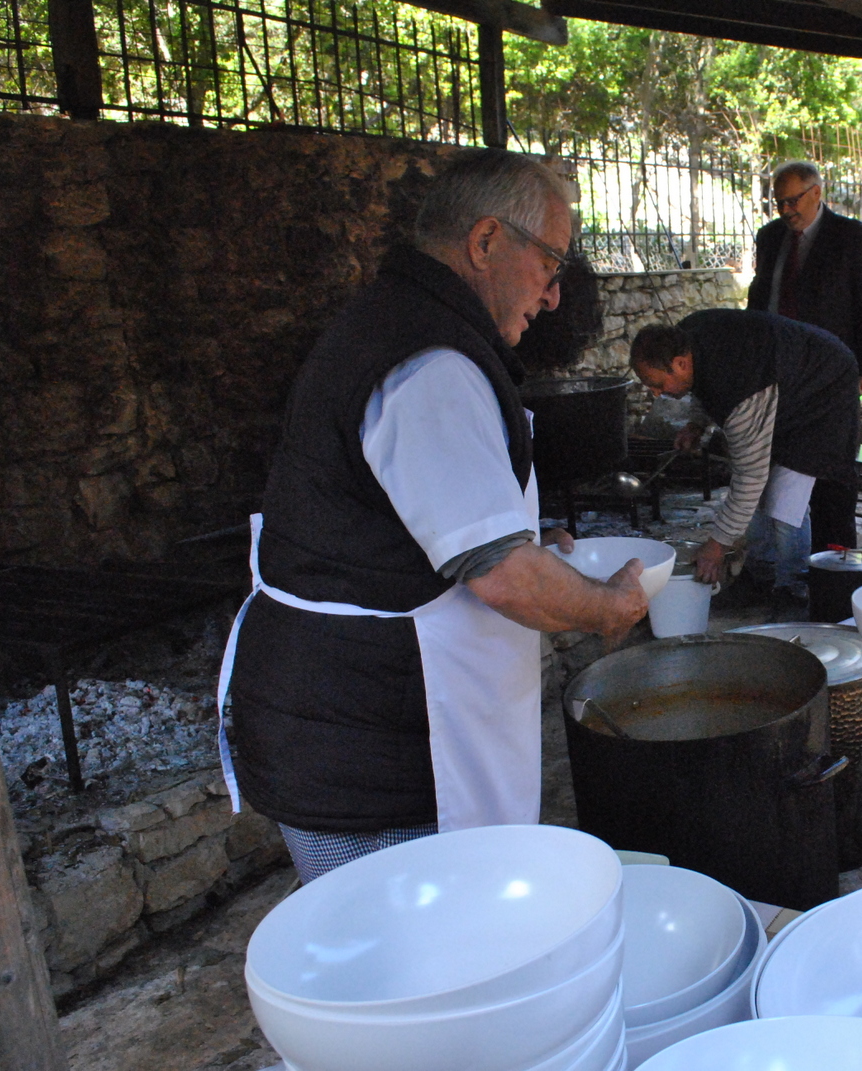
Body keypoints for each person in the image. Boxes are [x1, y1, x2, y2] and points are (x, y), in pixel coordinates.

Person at [222, 149, 649, 883]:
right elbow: (505, 578)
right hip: (372, 755)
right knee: (404, 944)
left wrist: (526, 537)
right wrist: (607, 607)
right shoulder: (429, 365)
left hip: (358, 731)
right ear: (485, 242)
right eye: (550, 262)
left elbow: (412, 522)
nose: (553, 295)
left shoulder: (400, 324)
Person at [629, 310, 860, 607]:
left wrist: (717, 545)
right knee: (760, 497)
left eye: (658, 384)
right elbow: (701, 386)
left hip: (824, 385)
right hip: (784, 374)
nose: (655, 394)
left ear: (680, 364)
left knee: (784, 500)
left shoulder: (740, 390)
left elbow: (750, 477)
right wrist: (697, 424)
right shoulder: (685, 338)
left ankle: (793, 586)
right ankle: (760, 575)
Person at [747, 161, 862, 552]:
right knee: (781, 464)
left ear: (816, 193)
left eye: (793, 201)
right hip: (781, 368)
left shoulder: (851, 236)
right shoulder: (770, 237)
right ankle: (780, 559)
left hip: (832, 369)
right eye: (779, 203)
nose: (786, 210)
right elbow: (760, 297)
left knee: (832, 466)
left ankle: (836, 557)